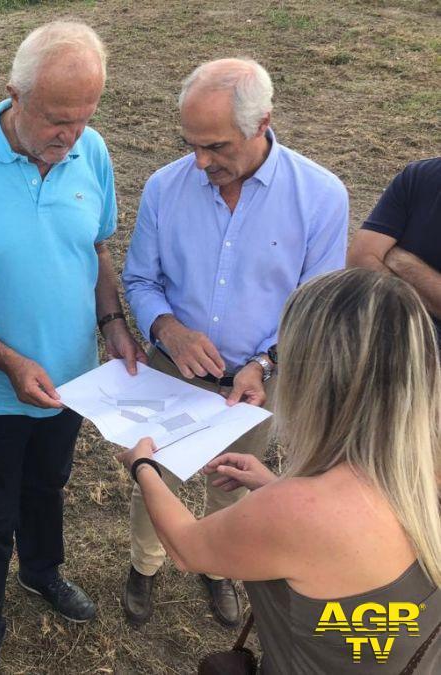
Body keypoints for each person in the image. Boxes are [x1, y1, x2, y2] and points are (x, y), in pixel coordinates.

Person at [0, 21, 145, 674]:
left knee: (49, 484)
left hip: (73, 381)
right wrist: (11, 360)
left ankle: (42, 570)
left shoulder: (91, 150)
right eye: (55, 118)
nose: (68, 134)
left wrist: (114, 324)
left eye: (82, 117)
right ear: (13, 93)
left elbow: (95, 248)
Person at [116, 268, 441, 673]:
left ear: (316, 377)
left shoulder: (300, 511)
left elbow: (187, 548)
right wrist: (275, 486)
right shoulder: (420, 476)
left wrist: (144, 463)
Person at [122, 57, 348, 627]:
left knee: (233, 477)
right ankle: (145, 566)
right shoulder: (163, 187)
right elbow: (141, 279)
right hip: (171, 370)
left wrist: (266, 364)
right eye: (191, 144)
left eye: (216, 146)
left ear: (262, 123)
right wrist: (167, 329)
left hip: (256, 385)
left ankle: (220, 567)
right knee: (157, 474)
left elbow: (315, 307)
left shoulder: (321, 197)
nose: (200, 162)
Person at [347, 157, 441, 337]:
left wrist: (400, 261)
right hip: (388, 340)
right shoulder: (419, 176)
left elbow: (371, 257)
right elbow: (359, 261)